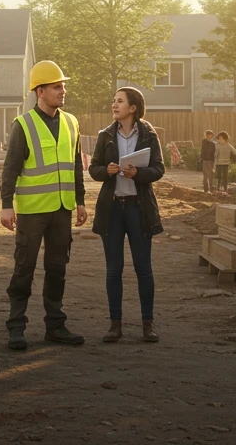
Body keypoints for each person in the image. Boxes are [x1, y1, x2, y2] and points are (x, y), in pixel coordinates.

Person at [0, 60, 87, 351]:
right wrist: (6, 205)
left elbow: (75, 165)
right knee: (24, 267)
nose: (63, 91)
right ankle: (16, 328)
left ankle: (55, 326)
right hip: (32, 210)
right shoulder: (23, 125)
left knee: (57, 267)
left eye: (63, 86)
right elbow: (10, 168)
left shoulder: (71, 122)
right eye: (56, 87)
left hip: (62, 209)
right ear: (40, 91)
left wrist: (81, 202)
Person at [90, 87, 164, 344]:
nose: (114, 104)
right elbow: (93, 168)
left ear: (133, 108)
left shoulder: (149, 135)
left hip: (138, 209)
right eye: (113, 100)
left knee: (144, 269)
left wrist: (138, 174)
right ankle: (115, 325)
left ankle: (148, 324)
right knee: (114, 269)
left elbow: (158, 169)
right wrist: (107, 170)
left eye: (120, 101)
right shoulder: (105, 135)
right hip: (112, 210)